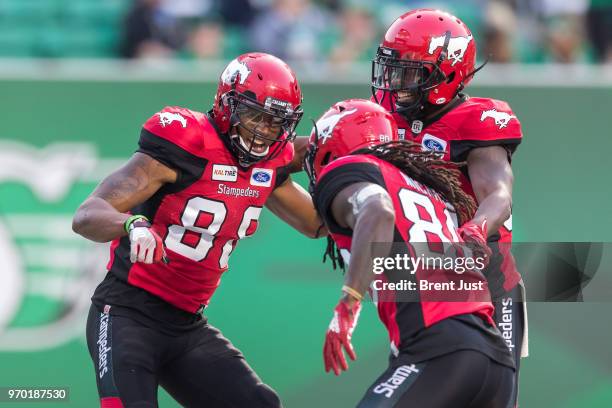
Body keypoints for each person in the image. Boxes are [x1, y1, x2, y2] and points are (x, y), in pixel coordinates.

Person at [72, 52, 323, 408]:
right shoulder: (187, 141)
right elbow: (86, 215)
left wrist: (355, 188)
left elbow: (316, 224)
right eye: (255, 116)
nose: (263, 131)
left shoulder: (270, 163)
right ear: (226, 104)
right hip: (126, 314)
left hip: (186, 325)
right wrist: (133, 223)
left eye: (275, 122)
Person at [305, 98, 515, 407]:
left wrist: (349, 303)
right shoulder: (425, 186)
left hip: (441, 350)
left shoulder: (347, 168)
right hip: (494, 359)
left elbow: (377, 210)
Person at [368, 9, 526, 406]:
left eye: (409, 73)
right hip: (422, 286)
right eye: (393, 70)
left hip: (488, 278)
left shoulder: (474, 121)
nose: (396, 84)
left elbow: (499, 193)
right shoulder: (384, 116)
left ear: (448, 72)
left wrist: (475, 229)